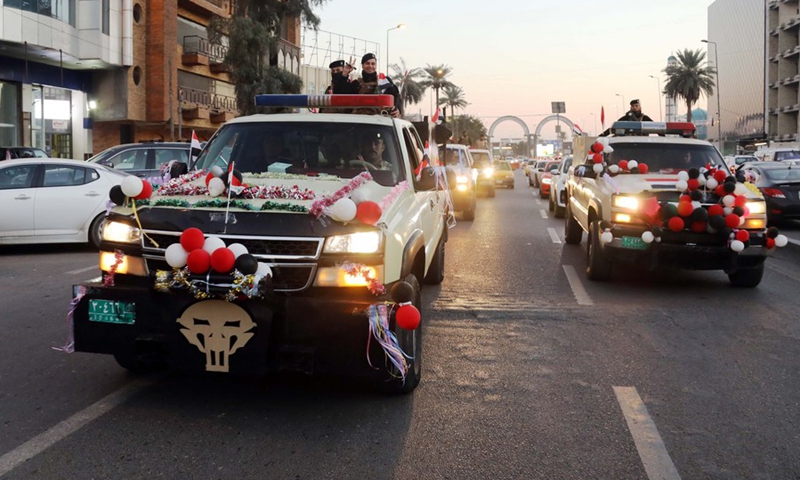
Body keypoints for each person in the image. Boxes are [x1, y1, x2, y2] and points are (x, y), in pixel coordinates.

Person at [355, 53, 401, 118]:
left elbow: (395, 97)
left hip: (381, 120)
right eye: (367, 63)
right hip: (359, 120)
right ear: (362, 65)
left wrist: (397, 110)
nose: (370, 66)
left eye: (373, 64)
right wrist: (345, 74)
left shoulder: (384, 81)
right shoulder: (356, 83)